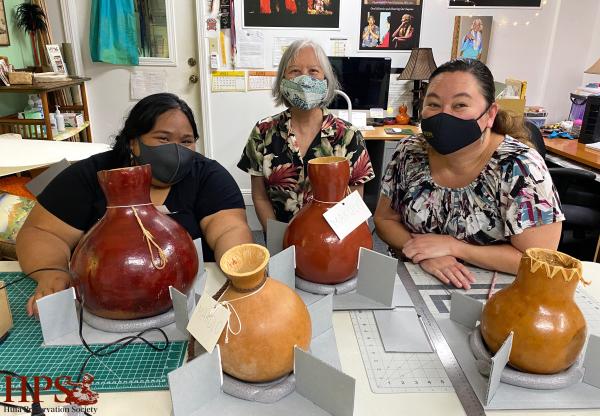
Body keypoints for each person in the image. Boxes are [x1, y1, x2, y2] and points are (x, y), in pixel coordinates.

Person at [17, 93, 253, 316]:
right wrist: (51, 272)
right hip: (103, 302)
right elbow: (42, 232)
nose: (176, 150)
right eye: (163, 138)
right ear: (134, 143)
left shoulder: (208, 176)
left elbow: (229, 228)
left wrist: (239, 264)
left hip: (190, 297)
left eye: (186, 141)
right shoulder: (92, 175)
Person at [374, 59, 564, 289]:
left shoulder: (520, 167)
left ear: (490, 114)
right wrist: (427, 254)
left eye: (460, 105)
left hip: (494, 291)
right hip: (414, 280)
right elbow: (384, 220)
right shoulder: (410, 152)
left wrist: (454, 247)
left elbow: (537, 261)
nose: (443, 115)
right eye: (433, 104)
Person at [237, 39, 375, 229]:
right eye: (295, 71)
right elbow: (260, 197)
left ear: (325, 79)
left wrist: (326, 242)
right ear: (283, 79)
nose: (304, 79)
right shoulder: (263, 132)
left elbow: (355, 199)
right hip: (282, 236)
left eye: (313, 71)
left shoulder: (349, 136)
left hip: (332, 238)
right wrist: (278, 238)